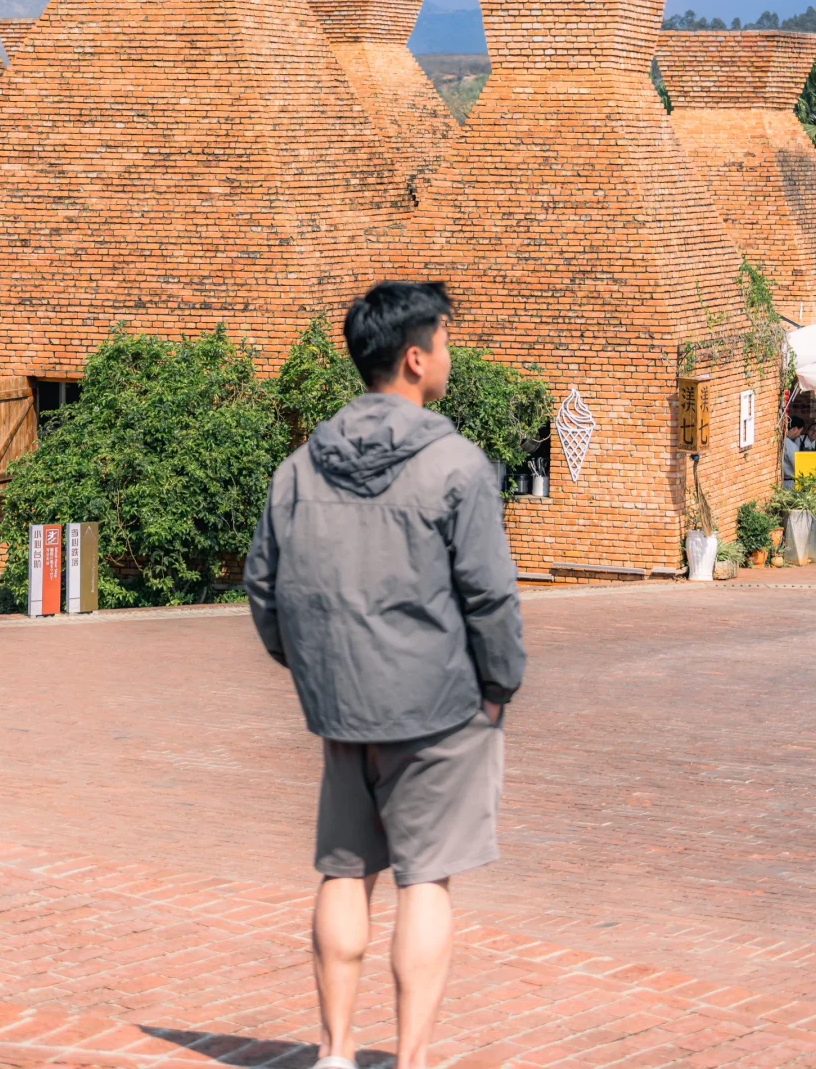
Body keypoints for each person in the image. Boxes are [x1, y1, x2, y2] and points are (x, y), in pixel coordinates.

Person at [244, 281, 525, 1069]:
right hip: (437, 705)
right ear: (414, 358)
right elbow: (490, 594)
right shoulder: (455, 466)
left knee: (343, 870)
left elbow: (264, 587)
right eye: (445, 340)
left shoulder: (299, 468)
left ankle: (334, 1053)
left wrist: (312, 669)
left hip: (343, 706)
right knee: (425, 880)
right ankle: (410, 1060)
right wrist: (499, 687)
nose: (449, 354)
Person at [783, 416, 806, 486]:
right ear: (795, 429)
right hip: (790, 481)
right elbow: (797, 466)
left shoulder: (782, 440)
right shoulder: (792, 446)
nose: (799, 435)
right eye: (800, 432)